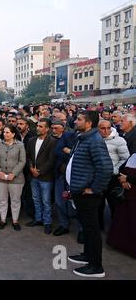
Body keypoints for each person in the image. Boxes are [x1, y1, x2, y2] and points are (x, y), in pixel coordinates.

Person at [66, 111, 113, 278]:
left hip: (89, 194)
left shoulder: (95, 141)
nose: (75, 121)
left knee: (92, 229)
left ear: (89, 123)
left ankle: (96, 266)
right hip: (80, 191)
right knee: (86, 226)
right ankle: (87, 255)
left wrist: (94, 188)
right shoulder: (82, 137)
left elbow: (106, 168)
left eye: (79, 119)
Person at [26, 118, 57, 234]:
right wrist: (31, 168)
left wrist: (39, 171)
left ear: (47, 129)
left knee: (46, 201)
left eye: (41, 126)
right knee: (36, 199)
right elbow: (28, 156)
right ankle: (38, 219)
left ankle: (47, 222)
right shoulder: (31, 140)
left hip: (46, 177)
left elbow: (51, 160)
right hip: (33, 176)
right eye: (37, 126)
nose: (38, 128)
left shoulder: (53, 141)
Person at [0, 125, 26, 231]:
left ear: (13, 134)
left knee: (15, 200)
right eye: (4, 132)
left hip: (16, 179)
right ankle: (3, 220)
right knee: (2, 199)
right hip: (0, 177)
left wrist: (13, 173)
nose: (5, 134)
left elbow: (22, 161)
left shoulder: (20, 145)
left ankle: (15, 221)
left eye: (7, 132)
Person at [98, 119, 129, 230]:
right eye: (102, 128)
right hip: (98, 178)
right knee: (98, 205)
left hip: (113, 178)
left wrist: (114, 170)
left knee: (114, 205)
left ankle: (116, 231)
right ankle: (98, 228)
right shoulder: (94, 140)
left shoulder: (119, 140)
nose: (106, 131)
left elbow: (125, 159)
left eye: (108, 128)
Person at [107, 153, 136, 258]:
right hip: (127, 196)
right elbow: (121, 169)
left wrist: (128, 178)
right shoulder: (133, 155)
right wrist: (123, 180)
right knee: (124, 221)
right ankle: (122, 245)